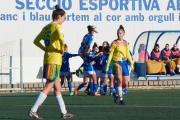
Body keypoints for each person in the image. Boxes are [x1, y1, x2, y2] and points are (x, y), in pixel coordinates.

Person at [28, 5, 75, 119]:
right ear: (59, 17)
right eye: (64, 17)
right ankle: (33, 110)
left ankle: (64, 112)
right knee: (49, 85)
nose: (64, 20)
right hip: (54, 60)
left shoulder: (46, 27)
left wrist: (46, 49)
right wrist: (61, 48)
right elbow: (60, 36)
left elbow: (36, 41)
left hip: (49, 58)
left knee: (57, 87)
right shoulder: (57, 26)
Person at [106, 25, 134, 105]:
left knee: (125, 83)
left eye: (120, 33)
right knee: (119, 80)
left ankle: (117, 94)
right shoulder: (114, 43)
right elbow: (111, 54)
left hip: (124, 63)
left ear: (123, 34)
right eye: (118, 33)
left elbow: (128, 54)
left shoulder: (125, 43)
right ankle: (121, 100)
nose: (119, 34)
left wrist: (131, 64)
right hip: (116, 63)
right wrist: (108, 65)